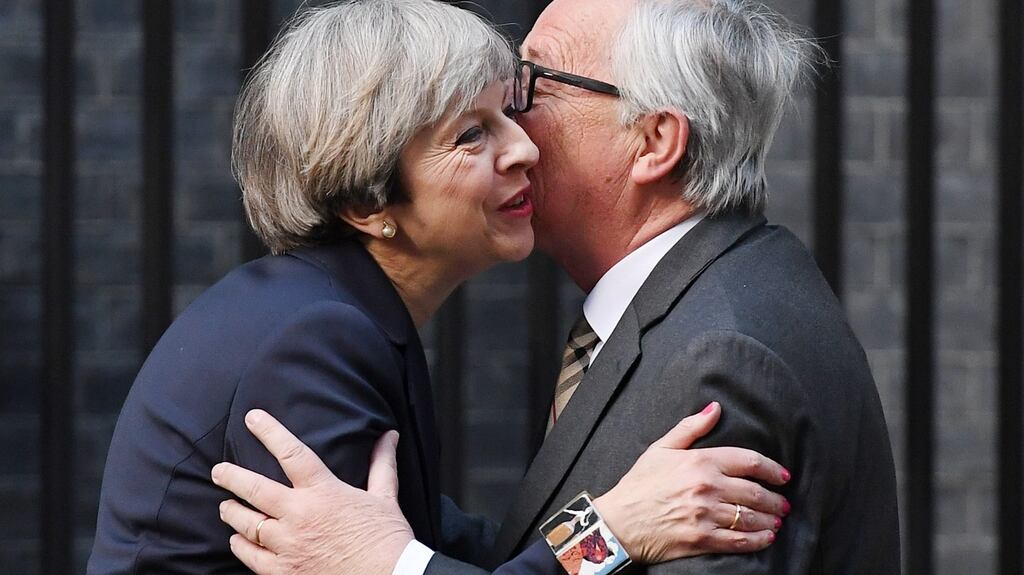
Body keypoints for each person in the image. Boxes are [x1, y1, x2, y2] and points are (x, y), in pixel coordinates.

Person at [86, 1, 791, 574]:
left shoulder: (333, 312)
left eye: (509, 113)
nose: (523, 147)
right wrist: (613, 529)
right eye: (471, 135)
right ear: (369, 203)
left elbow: (438, 546)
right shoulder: (310, 343)